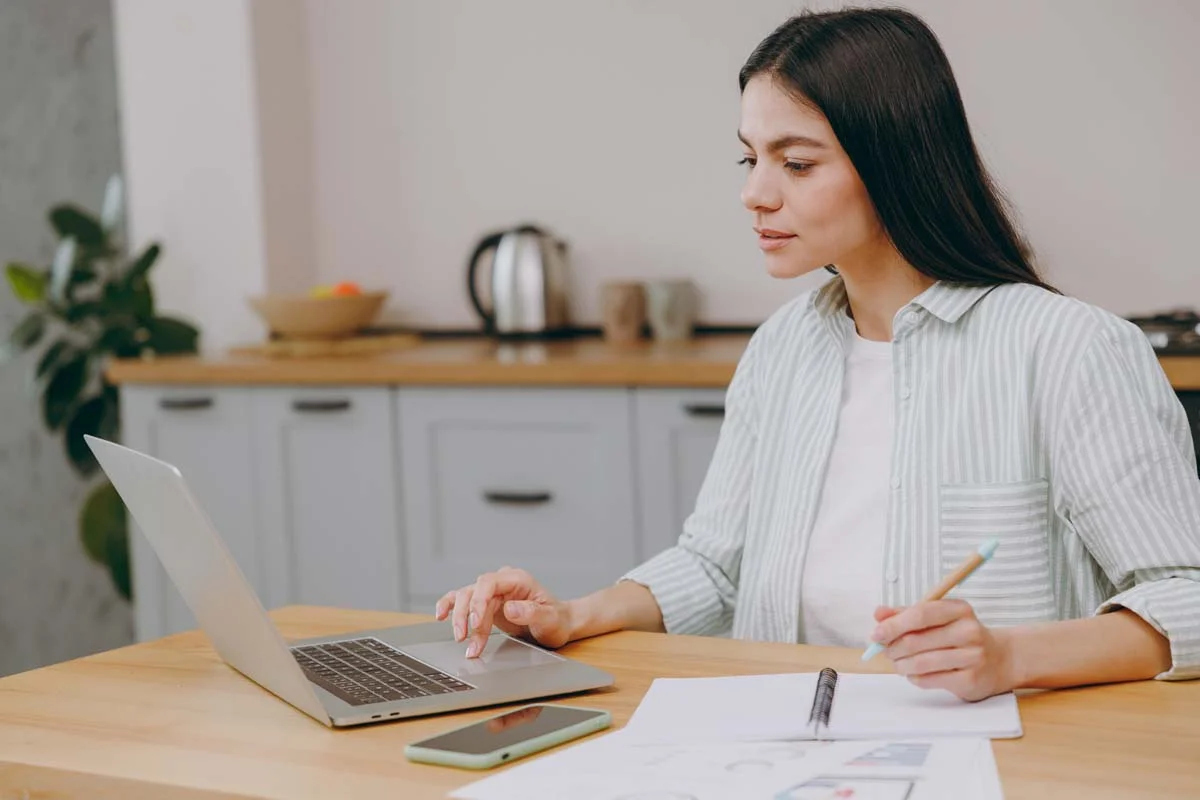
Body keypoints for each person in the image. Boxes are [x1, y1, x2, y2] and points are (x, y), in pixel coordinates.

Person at [435, 7, 1200, 701]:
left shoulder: (1071, 350)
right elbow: (714, 566)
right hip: (799, 747)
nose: (756, 194)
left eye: (796, 164)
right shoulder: (781, 349)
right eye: (750, 159)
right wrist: (572, 614)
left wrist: (1010, 657)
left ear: (896, 164)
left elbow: (1187, 596)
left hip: (1009, 759)